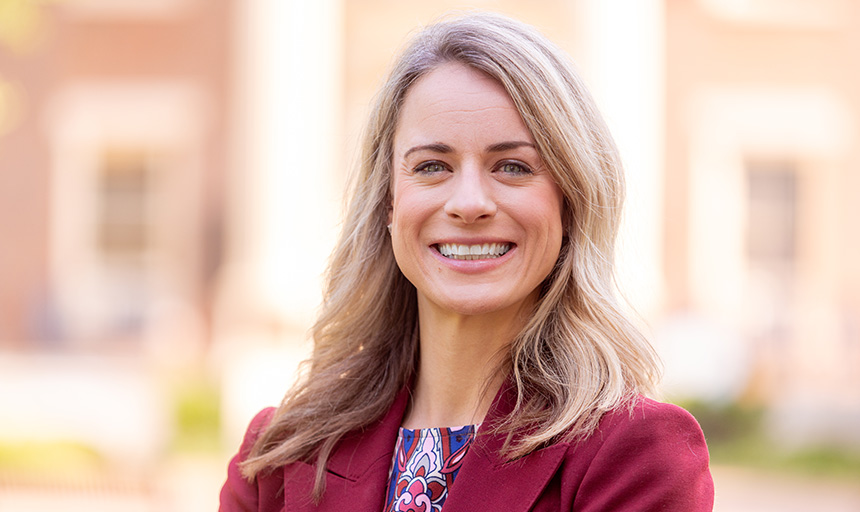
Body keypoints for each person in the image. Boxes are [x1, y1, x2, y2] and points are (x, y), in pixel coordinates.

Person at [220, 11, 714, 512]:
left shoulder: (637, 454)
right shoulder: (279, 455)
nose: (469, 202)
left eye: (513, 166)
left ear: (569, 202)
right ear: (389, 201)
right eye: (433, 166)